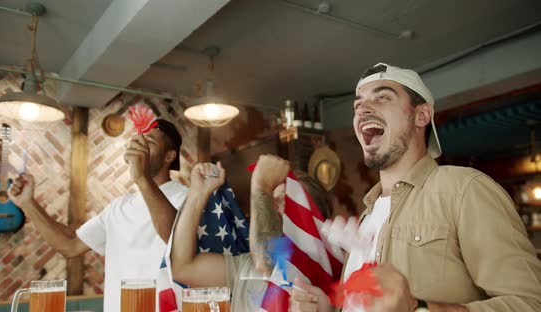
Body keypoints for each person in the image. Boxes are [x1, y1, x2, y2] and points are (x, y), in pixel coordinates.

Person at [290, 63, 541, 312]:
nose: (363, 109)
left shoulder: (465, 190)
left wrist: (418, 309)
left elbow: (530, 304)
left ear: (422, 115)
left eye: (382, 98)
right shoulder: (367, 216)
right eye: (358, 104)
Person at [9, 119, 188, 312]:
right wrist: (28, 203)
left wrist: (141, 177)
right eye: (139, 140)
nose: (141, 146)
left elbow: (176, 241)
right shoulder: (117, 207)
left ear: (169, 156)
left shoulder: (187, 197)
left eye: (150, 142)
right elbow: (69, 245)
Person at [170, 155, 333, 310]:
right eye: (270, 200)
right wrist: (198, 194)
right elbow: (183, 268)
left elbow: (268, 262)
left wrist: (262, 186)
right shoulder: (247, 265)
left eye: (284, 200)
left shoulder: (321, 271)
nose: (272, 206)